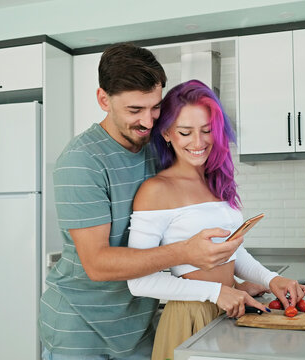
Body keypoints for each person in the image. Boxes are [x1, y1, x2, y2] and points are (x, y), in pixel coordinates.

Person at [38, 43, 247, 360]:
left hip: (139, 325)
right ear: (103, 100)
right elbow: (97, 263)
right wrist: (185, 251)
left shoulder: (157, 150)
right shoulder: (82, 161)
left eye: (155, 107)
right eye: (135, 110)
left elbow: (181, 225)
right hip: (80, 328)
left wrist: (235, 282)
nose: (149, 122)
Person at [127, 80, 305, 360]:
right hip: (191, 314)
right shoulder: (156, 191)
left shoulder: (216, 182)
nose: (198, 143)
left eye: (207, 130)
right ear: (166, 133)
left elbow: (231, 249)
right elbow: (138, 282)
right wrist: (215, 292)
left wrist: (271, 279)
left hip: (228, 307)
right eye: (185, 132)